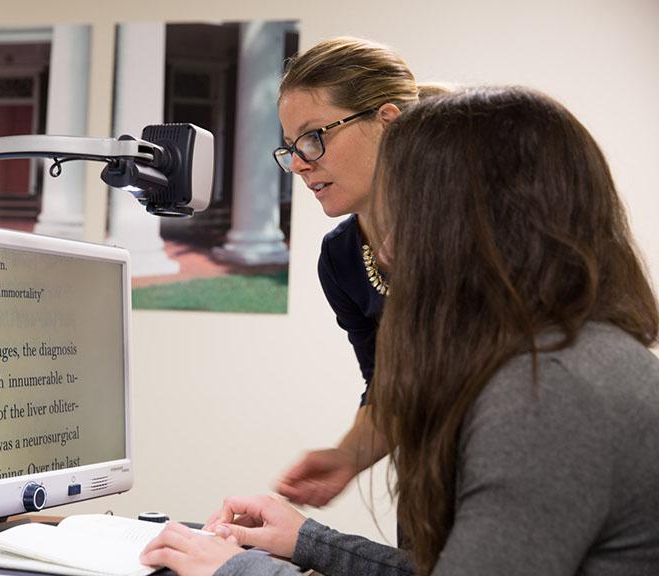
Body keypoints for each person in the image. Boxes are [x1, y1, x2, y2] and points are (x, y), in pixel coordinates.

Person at [140, 86, 659, 575]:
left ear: (486, 226)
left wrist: (235, 568)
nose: (384, 252)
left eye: (408, 215)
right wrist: (305, 540)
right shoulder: (570, 360)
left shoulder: (550, 393)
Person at [271, 36, 437, 509]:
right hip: (429, 487)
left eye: (313, 137)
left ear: (387, 121)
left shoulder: (471, 230)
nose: (300, 164)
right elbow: (388, 385)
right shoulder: (341, 257)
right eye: (290, 148)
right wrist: (348, 456)